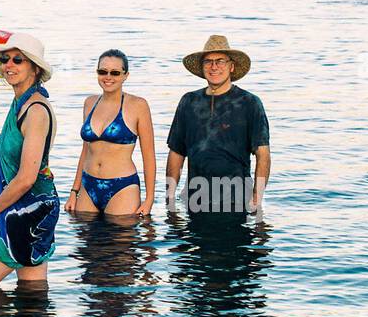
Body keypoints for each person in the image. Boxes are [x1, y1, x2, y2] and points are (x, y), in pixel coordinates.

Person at [0, 33, 60, 290]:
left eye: (18, 60)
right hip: (30, 208)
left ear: (35, 68)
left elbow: (27, 177)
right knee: (32, 294)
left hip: (26, 212)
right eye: (6, 59)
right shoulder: (21, 102)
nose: (9, 65)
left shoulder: (36, 110)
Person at [165, 34, 270, 215]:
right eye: (208, 62)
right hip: (195, 198)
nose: (214, 67)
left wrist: (256, 199)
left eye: (220, 61)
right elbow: (176, 153)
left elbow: (263, 155)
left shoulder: (249, 103)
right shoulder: (189, 102)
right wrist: (170, 198)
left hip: (237, 198)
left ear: (231, 66)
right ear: (202, 67)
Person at [65, 48, 155, 218]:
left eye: (115, 72)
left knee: (119, 243)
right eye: (103, 71)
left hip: (122, 187)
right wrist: (73, 191)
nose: (108, 77)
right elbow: (86, 150)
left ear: (125, 75)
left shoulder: (138, 105)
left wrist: (149, 199)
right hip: (88, 184)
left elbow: (148, 155)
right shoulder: (89, 103)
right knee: (85, 243)